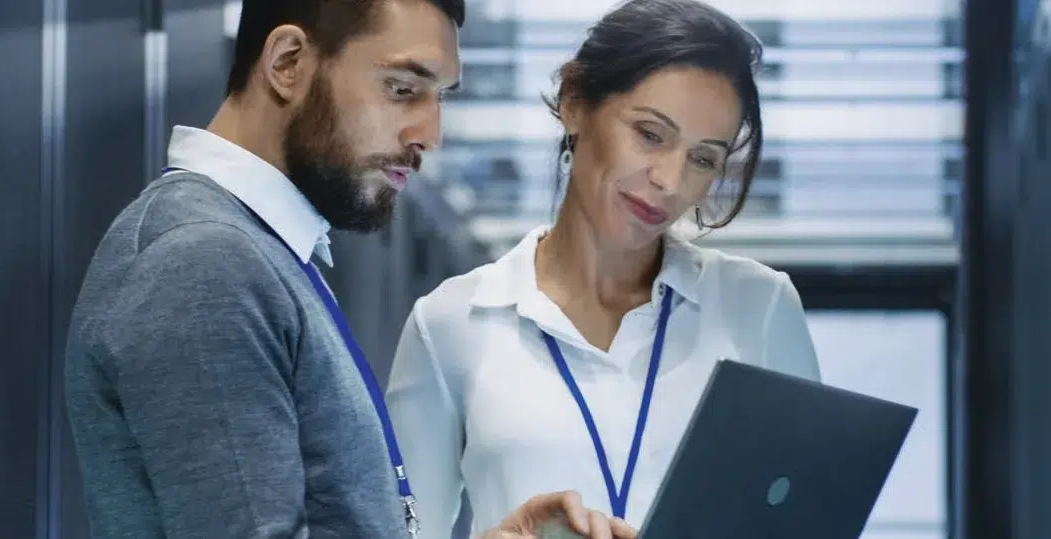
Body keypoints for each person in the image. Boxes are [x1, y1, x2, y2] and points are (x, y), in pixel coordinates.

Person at [63, 0, 633, 537]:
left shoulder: (260, 251)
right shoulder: (204, 262)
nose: (430, 134)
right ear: (287, 63)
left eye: (441, 98)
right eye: (402, 89)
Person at [384, 0, 822, 537]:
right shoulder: (451, 323)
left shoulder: (760, 307)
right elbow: (395, 531)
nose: (669, 179)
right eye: (650, 134)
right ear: (574, 103)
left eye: (703, 158)